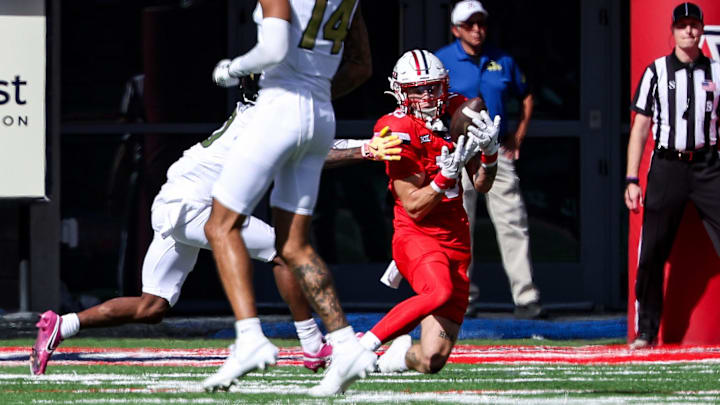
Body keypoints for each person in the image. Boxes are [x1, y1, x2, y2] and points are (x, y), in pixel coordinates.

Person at [29, 95, 401, 376]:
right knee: (284, 251)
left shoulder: (262, 113)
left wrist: (365, 146)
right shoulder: (263, 121)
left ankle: (61, 324)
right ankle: (312, 344)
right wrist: (365, 150)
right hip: (191, 207)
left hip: (177, 204)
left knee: (152, 307)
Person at [201, 0, 378, 396]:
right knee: (294, 245)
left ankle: (249, 337)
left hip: (280, 106)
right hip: (320, 112)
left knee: (220, 224)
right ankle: (346, 345)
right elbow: (362, 66)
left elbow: (274, 50)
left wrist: (232, 69)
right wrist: (314, 89)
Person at [356, 49, 500, 375]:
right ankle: (361, 345)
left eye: (433, 87)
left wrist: (490, 156)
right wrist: (444, 177)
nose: (426, 95)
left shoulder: (459, 111)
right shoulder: (395, 127)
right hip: (417, 233)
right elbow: (414, 206)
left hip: (456, 236)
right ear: (399, 92)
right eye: (417, 89)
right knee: (439, 291)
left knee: (432, 360)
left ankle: (393, 359)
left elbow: (482, 184)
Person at [435, 0, 541, 318]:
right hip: (457, 150)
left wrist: (517, 136)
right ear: (456, 30)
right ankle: (462, 298)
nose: (477, 30)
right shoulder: (441, 60)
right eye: (469, 25)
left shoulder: (502, 59)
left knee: (512, 221)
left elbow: (526, 95)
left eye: (481, 23)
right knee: (459, 224)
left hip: (494, 150)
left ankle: (526, 298)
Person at [625, 2, 720, 350]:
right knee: (651, 251)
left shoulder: (717, 70)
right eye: (683, 26)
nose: (689, 31)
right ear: (673, 31)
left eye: (695, 25)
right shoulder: (656, 72)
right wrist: (631, 179)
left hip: (709, 165)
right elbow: (639, 129)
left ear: (702, 29)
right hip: (667, 166)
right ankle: (646, 332)